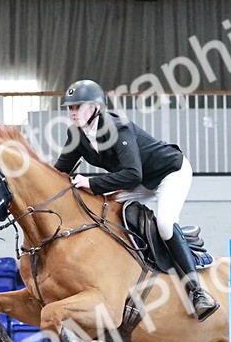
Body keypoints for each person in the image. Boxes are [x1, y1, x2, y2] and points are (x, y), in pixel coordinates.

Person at [52, 79, 219, 321]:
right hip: (136, 181)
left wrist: (91, 182)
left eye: (78, 106)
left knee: (164, 222)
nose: (73, 112)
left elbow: (133, 173)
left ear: (96, 107)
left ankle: (198, 292)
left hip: (169, 173)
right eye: (70, 107)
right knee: (103, 210)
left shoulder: (117, 128)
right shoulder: (76, 134)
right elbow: (59, 172)